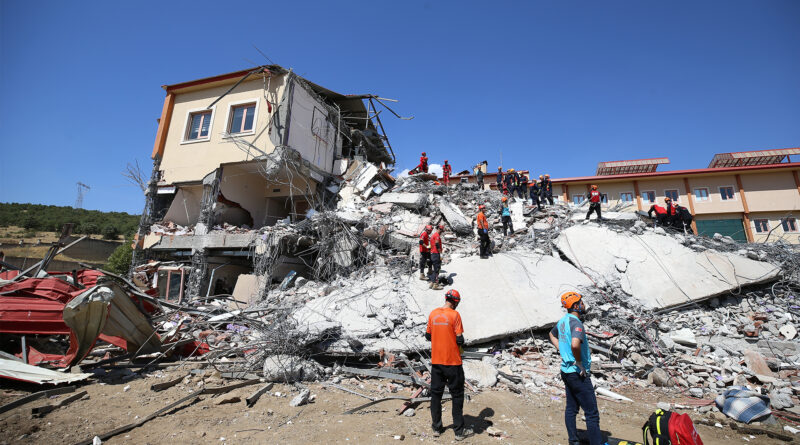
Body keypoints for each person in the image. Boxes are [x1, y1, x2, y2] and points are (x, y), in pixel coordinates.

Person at [549, 292, 606, 445]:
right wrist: (579, 362)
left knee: (572, 409)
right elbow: (575, 344)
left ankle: (573, 441)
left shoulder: (563, 321)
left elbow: (552, 334)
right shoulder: (576, 323)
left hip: (566, 371)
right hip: (577, 372)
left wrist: (561, 349)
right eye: (581, 302)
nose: (583, 304)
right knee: (592, 414)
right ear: (576, 306)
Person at [426, 289, 472, 441]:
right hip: (453, 362)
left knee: (436, 395)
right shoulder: (455, 315)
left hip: (436, 362)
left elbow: (428, 335)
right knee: (457, 395)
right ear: (456, 302)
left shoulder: (433, 313)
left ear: (446, 298)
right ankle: (458, 432)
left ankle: (437, 428)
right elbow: (460, 340)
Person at [428, 224, 444, 289]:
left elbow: (431, 245)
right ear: (439, 229)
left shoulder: (433, 235)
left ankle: (432, 282)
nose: (442, 232)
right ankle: (435, 285)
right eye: (441, 230)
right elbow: (437, 244)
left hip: (432, 254)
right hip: (436, 254)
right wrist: (440, 253)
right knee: (437, 270)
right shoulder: (437, 235)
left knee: (435, 269)